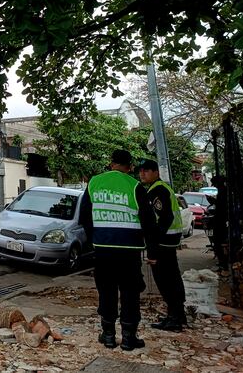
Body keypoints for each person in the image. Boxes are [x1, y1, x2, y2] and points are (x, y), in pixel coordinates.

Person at [79, 149, 158, 351]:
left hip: (103, 249)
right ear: (129, 166)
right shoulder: (135, 186)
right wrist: (153, 251)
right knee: (130, 292)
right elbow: (149, 222)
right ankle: (129, 338)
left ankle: (108, 336)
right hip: (129, 251)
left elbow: (85, 217)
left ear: (111, 163)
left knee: (106, 290)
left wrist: (94, 240)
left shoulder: (95, 182)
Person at [137, 159, 186, 331]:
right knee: (171, 278)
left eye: (147, 171)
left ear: (156, 172)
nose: (142, 174)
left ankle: (175, 317)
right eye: (141, 171)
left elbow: (164, 219)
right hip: (168, 240)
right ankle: (177, 314)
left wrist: (153, 247)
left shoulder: (158, 190)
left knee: (166, 280)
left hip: (163, 242)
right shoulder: (158, 189)